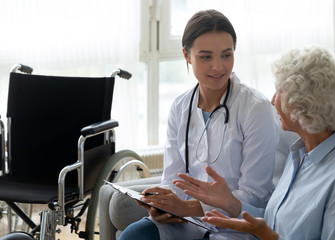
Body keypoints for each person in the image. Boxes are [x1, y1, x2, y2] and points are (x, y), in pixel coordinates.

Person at [174, 46, 335, 240]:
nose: (273, 101)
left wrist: (268, 237)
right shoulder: (302, 154)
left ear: (305, 102)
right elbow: (275, 221)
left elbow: (272, 234)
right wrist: (230, 202)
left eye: (279, 91)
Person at [118, 9, 278, 240]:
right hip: (186, 223)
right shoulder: (180, 107)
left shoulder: (255, 108)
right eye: (205, 57)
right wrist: (163, 203)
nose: (218, 67)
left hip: (234, 227)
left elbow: (255, 197)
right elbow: (173, 178)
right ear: (186, 55)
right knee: (133, 236)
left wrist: (189, 208)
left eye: (226, 55)